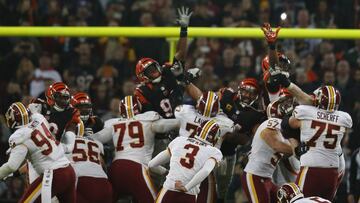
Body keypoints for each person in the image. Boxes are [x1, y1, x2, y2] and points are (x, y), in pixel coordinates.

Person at [273, 71, 353, 200]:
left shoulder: (306, 112)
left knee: (300, 201)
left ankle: (297, 149)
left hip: (311, 168)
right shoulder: (344, 118)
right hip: (332, 170)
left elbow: (286, 125)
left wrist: (296, 145)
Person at [90, 96, 179, 202]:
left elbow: (94, 139)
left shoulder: (114, 124)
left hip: (115, 168)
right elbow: (173, 124)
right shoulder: (148, 120)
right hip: (136, 169)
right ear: (139, 109)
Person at [0, 102, 76, 202]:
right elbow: (35, 110)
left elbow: (12, 166)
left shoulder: (18, 136)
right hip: (69, 170)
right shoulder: (39, 118)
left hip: (53, 175)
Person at [174, 91, 241, 203]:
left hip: (181, 160)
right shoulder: (224, 123)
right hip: (204, 164)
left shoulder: (184, 111)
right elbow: (236, 130)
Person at [134, 7, 201, 118]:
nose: (155, 71)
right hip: (159, 125)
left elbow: (180, 54)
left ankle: (206, 105)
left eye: (154, 67)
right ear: (143, 77)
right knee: (184, 79)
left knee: (184, 79)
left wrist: (183, 30)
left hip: (180, 117)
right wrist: (184, 80)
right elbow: (149, 116)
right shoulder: (142, 91)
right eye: (150, 71)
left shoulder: (166, 71)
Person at [241, 91, 298, 203]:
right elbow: (276, 145)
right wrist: (298, 149)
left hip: (266, 177)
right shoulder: (272, 122)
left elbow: (285, 151)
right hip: (255, 176)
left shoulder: (282, 129)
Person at [149, 119, 223, 203]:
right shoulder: (214, 151)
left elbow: (151, 164)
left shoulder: (179, 140)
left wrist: (166, 172)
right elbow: (206, 170)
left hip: (169, 191)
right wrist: (186, 187)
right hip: (189, 196)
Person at [70, 135, 112, 203]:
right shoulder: (96, 142)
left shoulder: (67, 140)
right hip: (103, 181)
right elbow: (103, 164)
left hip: (81, 180)